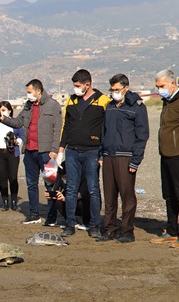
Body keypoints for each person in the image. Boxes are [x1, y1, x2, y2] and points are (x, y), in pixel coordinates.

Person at [0, 79, 62, 225]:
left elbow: (58, 129)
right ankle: (34, 214)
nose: (28, 95)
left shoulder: (53, 106)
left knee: (50, 184)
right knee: (31, 183)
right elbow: (18, 122)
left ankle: (52, 215)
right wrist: (3, 119)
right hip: (29, 151)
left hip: (46, 153)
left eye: (29, 92)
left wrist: (54, 150)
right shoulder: (28, 106)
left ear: (38, 91)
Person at [96, 73, 149, 243]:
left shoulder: (137, 107)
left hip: (126, 157)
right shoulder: (110, 106)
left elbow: (142, 135)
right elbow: (103, 131)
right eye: (111, 89)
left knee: (127, 195)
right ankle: (109, 228)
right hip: (108, 156)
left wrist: (136, 160)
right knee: (109, 195)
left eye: (117, 89)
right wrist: (101, 153)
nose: (113, 92)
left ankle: (127, 230)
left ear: (126, 88)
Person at [57, 69, 110, 238]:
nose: (76, 89)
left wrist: (102, 154)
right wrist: (60, 149)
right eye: (74, 86)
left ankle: (94, 225)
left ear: (88, 84)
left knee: (93, 189)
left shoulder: (103, 101)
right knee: (71, 188)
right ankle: (69, 224)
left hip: (92, 151)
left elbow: (106, 130)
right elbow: (66, 126)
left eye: (78, 86)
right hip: (72, 151)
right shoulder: (71, 101)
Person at [149, 69, 179, 248]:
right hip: (166, 154)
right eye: (157, 86)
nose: (159, 89)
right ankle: (171, 230)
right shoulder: (167, 101)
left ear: (172, 83)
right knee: (169, 194)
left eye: (161, 86)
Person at [0, 101, 24, 211]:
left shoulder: (15, 122)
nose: (2, 112)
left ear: (9, 110)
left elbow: (22, 136)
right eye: (0, 110)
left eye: (4, 110)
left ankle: (14, 202)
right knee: (2, 179)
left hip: (12, 153)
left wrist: (17, 141)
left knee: (12, 178)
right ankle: (5, 202)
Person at [44, 162, 92, 228]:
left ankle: (87, 221)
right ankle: (70, 220)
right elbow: (55, 189)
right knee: (57, 200)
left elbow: (81, 194)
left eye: (65, 176)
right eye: (62, 177)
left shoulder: (83, 177)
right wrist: (51, 195)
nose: (64, 179)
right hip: (70, 201)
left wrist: (66, 199)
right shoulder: (60, 176)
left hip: (84, 203)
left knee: (82, 201)